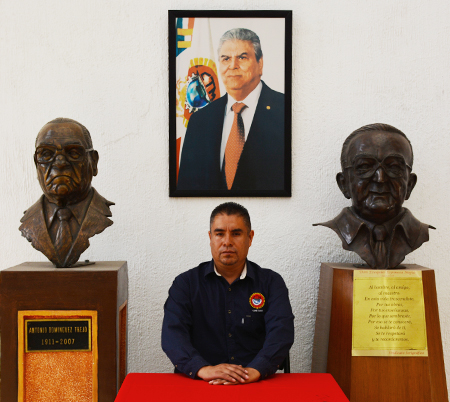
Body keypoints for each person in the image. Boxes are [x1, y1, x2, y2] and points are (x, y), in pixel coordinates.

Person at [162, 202, 294, 384]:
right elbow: (172, 336)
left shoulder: (271, 283)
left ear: (250, 237)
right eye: (219, 234)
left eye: (236, 233)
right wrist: (203, 369)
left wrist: (255, 370)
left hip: (255, 382)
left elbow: (281, 333)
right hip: (200, 382)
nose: (227, 242)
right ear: (210, 238)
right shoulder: (186, 284)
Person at [177, 28, 285, 192]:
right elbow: (186, 189)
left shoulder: (285, 111)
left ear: (260, 63)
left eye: (242, 57)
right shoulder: (200, 121)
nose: (233, 65)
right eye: (226, 59)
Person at [314, 123, 434, 269]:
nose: (380, 178)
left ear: (410, 184)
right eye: (364, 166)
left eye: (394, 167)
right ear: (344, 184)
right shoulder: (339, 228)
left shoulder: (419, 232)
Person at [20, 118, 114, 268]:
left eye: (73, 153)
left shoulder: (101, 213)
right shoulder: (30, 222)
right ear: (36, 164)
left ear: (94, 162)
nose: (60, 163)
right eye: (46, 154)